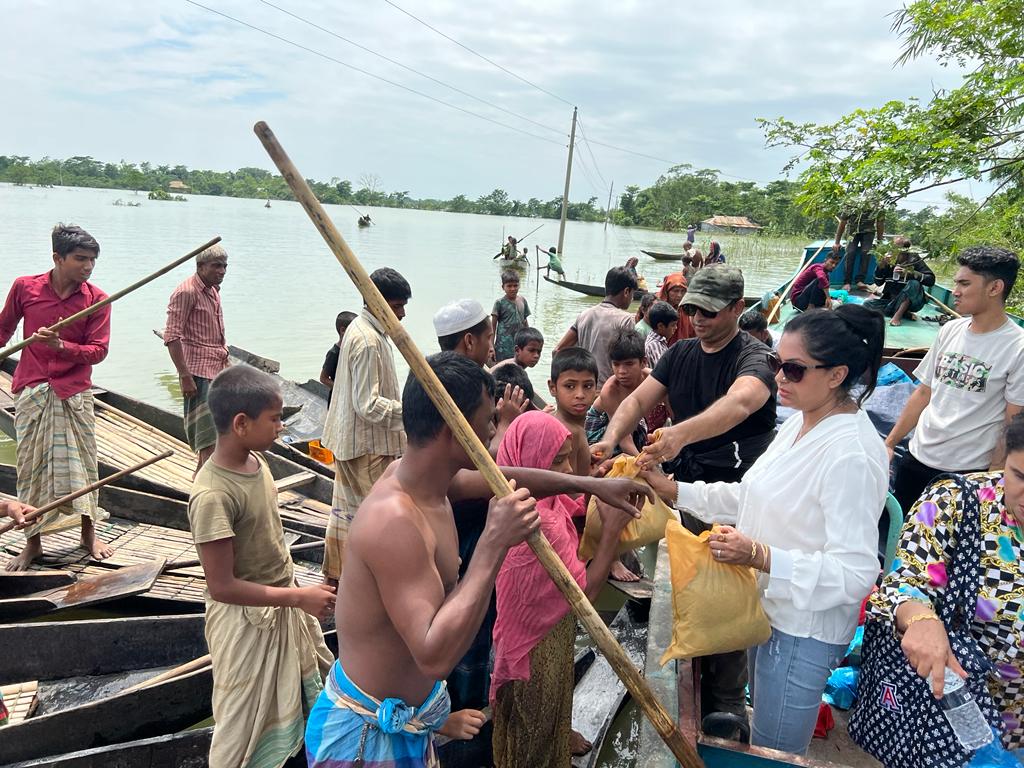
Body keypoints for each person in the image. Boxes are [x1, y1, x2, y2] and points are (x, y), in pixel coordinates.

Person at [644, 304, 888, 755]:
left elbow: (856, 573)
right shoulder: (800, 423)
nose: (779, 379)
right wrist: (674, 489)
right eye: (778, 364)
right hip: (766, 609)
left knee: (776, 750)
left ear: (836, 375)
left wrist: (760, 555)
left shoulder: (851, 453)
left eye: (794, 370)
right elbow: (751, 496)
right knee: (765, 733)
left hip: (802, 626)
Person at [305, 353, 542, 767]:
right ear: (454, 432)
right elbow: (432, 657)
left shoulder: (430, 485)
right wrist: (493, 542)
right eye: (488, 420)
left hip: (413, 721)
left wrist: (589, 484)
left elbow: (504, 480)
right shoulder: (395, 521)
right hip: (362, 741)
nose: (492, 431)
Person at [591, 265, 777, 727]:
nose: (698, 317)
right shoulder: (681, 353)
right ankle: (692, 671)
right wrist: (610, 439)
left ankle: (728, 701)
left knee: (734, 591)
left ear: (737, 308)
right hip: (688, 488)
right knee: (698, 582)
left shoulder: (753, 357)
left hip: (737, 490)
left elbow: (742, 402)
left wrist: (677, 436)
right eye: (691, 308)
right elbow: (635, 401)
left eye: (710, 311)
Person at [188, 364, 335, 768]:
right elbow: (222, 586)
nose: (279, 429)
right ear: (240, 423)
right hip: (245, 626)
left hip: (283, 609)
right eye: (273, 420)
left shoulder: (257, 462)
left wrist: (295, 597)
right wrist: (298, 597)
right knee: (241, 732)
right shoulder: (212, 495)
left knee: (306, 701)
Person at [865, 412, 1024, 756]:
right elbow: (906, 580)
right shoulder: (958, 503)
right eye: (1020, 476)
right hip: (957, 718)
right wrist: (920, 618)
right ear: (1005, 456)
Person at [491, 411, 639, 766]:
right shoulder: (544, 527)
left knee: (521, 725)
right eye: (556, 461)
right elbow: (583, 599)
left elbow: (567, 498)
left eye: (569, 458)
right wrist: (612, 534)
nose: (570, 470)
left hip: (513, 638)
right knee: (536, 733)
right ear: (530, 461)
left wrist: (592, 484)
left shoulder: (509, 502)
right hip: (538, 648)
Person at [0, 223, 112, 572]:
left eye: (92, 260)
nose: (88, 267)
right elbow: (3, 329)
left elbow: (97, 352)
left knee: (84, 466)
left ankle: (88, 534)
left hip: (73, 392)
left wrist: (59, 345)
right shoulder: (26, 287)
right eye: (80, 259)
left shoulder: (96, 299)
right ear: (57, 258)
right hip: (33, 389)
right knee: (31, 469)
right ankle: (32, 543)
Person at [885, 246, 1024, 516]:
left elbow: (1012, 420)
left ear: (995, 288)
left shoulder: (1017, 347)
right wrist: (890, 443)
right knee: (901, 535)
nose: (956, 291)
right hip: (918, 455)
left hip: (967, 471)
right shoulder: (951, 330)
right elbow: (923, 394)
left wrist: (993, 477)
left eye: (964, 283)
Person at [320, 267, 411, 586]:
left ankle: (337, 578)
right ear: (378, 303)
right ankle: (368, 586)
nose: (401, 314)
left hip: (351, 441)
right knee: (376, 521)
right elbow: (368, 405)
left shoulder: (362, 330)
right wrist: (411, 414)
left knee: (347, 514)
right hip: (367, 446)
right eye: (397, 306)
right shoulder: (368, 340)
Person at [164, 243, 231, 474]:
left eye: (224, 266)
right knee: (207, 438)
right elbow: (172, 336)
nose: (221, 271)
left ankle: (202, 482)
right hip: (198, 373)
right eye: (216, 266)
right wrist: (184, 376)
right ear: (200, 266)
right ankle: (203, 489)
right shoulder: (187, 292)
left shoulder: (212, 290)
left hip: (217, 369)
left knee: (217, 434)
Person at [554, 267, 637, 387]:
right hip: (609, 392)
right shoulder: (627, 320)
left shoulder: (584, 315)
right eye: (632, 294)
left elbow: (558, 351)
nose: (632, 299)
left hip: (585, 389)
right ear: (626, 291)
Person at [585, 330, 648, 456]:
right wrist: (647, 466)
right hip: (601, 424)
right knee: (610, 455)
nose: (622, 371)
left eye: (629, 364)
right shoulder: (610, 391)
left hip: (633, 420)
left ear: (643, 362)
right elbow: (624, 440)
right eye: (616, 364)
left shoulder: (652, 380)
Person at [547, 347, 599, 476]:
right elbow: (572, 493)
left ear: (596, 387)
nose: (580, 395)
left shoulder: (554, 420)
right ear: (552, 387)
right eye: (570, 386)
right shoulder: (570, 433)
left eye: (588, 386)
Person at [865, 236, 935, 326]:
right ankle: (903, 313)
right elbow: (878, 283)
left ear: (906, 250)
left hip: (913, 303)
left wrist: (910, 273)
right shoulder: (888, 261)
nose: (893, 252)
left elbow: (931, 280)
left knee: (914, 283)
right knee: (867, 304)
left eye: (897, 249)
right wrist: (881, 266)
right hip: (892, 301)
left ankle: (898, 316)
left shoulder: (914, 260)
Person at [835, 204, 886, 291]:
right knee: (850, 252)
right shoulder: (851, 204)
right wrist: (837, 242)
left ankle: (860, 280)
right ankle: (847, 282)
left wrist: (879, 241)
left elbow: (880, 224)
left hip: (868, 232)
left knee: (866, 252)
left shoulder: (877, 206)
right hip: (852, 232)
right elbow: (842, 223)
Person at [436, 299, 495, 368]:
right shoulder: (477, 378)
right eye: (488, 338)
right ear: (469, 341)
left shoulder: (433, 374)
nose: (491, 348)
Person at [491, 272, 531, 363]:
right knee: (502, 368)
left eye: (515, 285)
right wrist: (491, 346)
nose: (513, 289)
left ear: (519, 286)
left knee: (518, 367)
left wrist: (529, 339)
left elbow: (525, 322)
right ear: (503, 287)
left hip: (519, 344)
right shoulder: (499, 303)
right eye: (509, 286)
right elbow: (492, 326)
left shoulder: (522, 300)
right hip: (503, 346)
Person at [319, 310, 357, 402]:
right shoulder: (334, 353)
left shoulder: (352, 350)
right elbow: (323, 378)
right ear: (343, 330)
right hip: (337, 399)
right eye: (355, 331)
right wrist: (342, 389)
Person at [656, 272, 696, 345]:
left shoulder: (686, 309)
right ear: (667, 291)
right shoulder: (658, 308)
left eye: (683, 291)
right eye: (675, 291)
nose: (679, 295)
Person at [644, 301, 679, 369]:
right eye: (673, 325)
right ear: (660, 326)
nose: (676, 328)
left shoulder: (659, 341)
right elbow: (664, 371)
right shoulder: (655, 345)